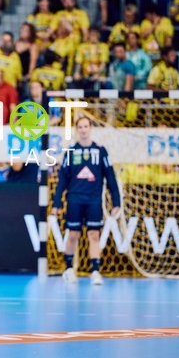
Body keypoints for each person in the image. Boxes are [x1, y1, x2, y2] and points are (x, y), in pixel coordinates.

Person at [51, 115, 121, 285]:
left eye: (86, 126)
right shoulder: (71, 152)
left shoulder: (100, 151)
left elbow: (110, 177)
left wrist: (116, 201)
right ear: (76, 130)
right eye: (80, 127)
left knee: (93, 234)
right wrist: (57, 203)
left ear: (91, 129)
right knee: (73, 234)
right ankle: (68, 269)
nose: (83, 130)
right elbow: (63, 179)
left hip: (94, 200)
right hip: (75, 198)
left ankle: (95, 271)